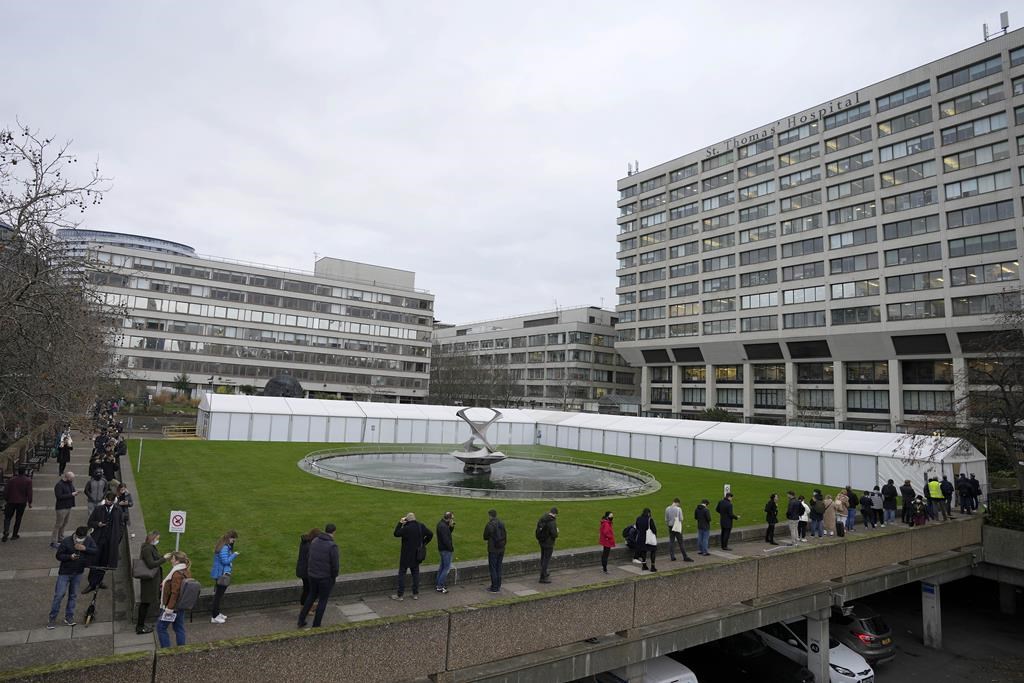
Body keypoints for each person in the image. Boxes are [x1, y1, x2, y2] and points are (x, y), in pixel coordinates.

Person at [47, 526, 97, 629]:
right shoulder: (66, 541)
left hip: (78, 572)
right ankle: (52, 619)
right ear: (76, 535)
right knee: (59, 595)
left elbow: (95, 550)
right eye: (80, 538)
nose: (82, 540)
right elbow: (58, 556)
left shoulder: (88, 540)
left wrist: (85, 548)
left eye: (83, 538)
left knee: (73, 595)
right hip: (65, 572)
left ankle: (69, 617)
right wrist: (70, 557)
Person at [298, 524, 339, 628]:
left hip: (312, 576)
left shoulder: (314, 541)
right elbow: (335, 565)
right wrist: (333, 577)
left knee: (311, 596)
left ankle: (301, 619)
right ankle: (316, 625)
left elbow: (309, 557)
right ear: (334, 532)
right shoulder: (332, 546)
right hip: (325, 578)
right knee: (323, 600)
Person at [83, 492, 124, 593]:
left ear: (113, 501)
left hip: (110, 542)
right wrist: (98, 524)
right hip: (98, 541)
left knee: (105, 563)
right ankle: (92, 583)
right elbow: (90, 522)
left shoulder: (118, 511)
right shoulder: (98, 509)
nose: (107, 502)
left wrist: (117, 539)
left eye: (110, 501)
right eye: (106, 500)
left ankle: (99, 581)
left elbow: (121, 526)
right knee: (94, 562)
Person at [392, 512, 433, 599]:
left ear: (407, 520)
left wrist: (400, 523)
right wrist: (424, 543)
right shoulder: (420, 526)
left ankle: (400, 595)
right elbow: (430, 534)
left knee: (402, 574)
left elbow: (396, 533)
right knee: (415, 574)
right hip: (416, 554)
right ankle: (415, 594)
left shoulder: (406, 528)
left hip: (406, 555)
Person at [136, 531, 170, 634]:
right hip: (149, 581)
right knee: (145, 603)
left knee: (146, 602)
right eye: (157, 538)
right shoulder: (147, 549)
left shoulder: (150, 547)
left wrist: (164, 556)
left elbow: (155, 558)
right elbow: (151, 564)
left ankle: (141, 625)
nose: (158, 540)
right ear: (152, 538)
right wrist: (164, 559)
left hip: (151, 580)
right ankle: (140, 627)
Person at [157, 551, 192, 648]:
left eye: (172, 559)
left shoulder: (176, 573)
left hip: (172, 606)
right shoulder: (186, 571)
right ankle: (182, 649)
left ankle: (166, 651)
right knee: (178, 627)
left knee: (161, 628)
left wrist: (169, 608)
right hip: (180, 606)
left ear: (176, 561)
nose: (171, 560)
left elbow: (175, 592)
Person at [209, 530, 239, 623]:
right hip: (222, 574)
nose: (234, 541)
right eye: (233, 539)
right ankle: (214, 616)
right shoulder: (225, 548)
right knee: (218, 596)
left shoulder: (223, 546)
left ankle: (217, 614)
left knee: (218, 595)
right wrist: (234, 555)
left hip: (220, 573)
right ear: (230, 538)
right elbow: (225, 561)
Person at [2, 467, 32, 542]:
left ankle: (6, 530)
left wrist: (6, 499)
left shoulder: (11, 480)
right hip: (21, 502)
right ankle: (14, 534)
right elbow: (29, 492)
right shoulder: (28, 481)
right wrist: (29, 502)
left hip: (11, 501)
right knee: (18, 518)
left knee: (7, 517)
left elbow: (6, 490)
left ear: (18, 472)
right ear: (24, 472)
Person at [51, 471, 78, 550]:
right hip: (61, 508)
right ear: (67, 477)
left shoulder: (69, 483)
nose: (72, 480)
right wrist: (71, 494)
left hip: (68, 506)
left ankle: (60, 538)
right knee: (58, 524)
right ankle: (54, 541)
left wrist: (74, 492)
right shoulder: (59, 485)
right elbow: (59, 496)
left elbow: (72, 490)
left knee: (64, 523)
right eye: (71, 478)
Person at [296, 527, 321, 606]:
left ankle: (307, 605)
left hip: (303, 569)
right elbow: (310, 559)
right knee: (308, 589)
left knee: (307, 589)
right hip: (306, 571)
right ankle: (305, 607)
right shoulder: (309, 545)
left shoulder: (306, 542)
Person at [483, 509, 506, 592]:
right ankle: (498, 585)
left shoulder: (489, 525)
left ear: (490, 516)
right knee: (499, 567)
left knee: (493, 568)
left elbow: (485, 537)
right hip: (501, 548)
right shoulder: (501, 523)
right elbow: (505, 535)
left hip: (493, 549)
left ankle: (494, 587)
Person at [535, 507, 558, 583]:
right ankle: (543, 577)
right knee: (546, 560)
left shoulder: (542, 518)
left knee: (543, 557)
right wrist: (557, 531)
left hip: (542, 541)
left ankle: (544, 573)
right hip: (548, 543)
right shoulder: (552, 522)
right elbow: (554, 534)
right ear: (555, 514)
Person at [435, 511, 455, 594]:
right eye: (452, 518)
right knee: (446, 568)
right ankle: (440, 586)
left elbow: (448, 532)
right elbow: (446, 539)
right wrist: (451, 549)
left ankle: (438, 584)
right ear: (449, 518)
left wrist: (451, 526)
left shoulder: (442, 524)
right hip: (446, 550)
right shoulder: (443, 526)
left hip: (442, 549)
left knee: (442, 567)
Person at [635, 507, 657, 572]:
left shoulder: (638, 519)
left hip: (641, 538)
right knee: (653, 551)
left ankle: (644, 565)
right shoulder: (650, 520)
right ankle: (653, 566)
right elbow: (654, 530)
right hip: (648, 539)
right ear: (649, 513)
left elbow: (637, 527)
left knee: (643, 551)